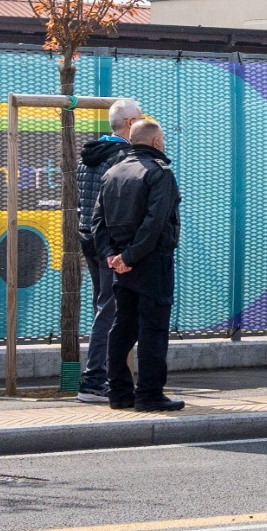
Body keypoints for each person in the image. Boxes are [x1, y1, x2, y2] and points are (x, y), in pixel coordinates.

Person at [92, 116, 183, 413]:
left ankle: (118, 393)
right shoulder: (160, 173)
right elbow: (155, 224)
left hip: (120, 264)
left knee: (122, 327)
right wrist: (129, 257)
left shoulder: (113, 172)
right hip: (151, 262)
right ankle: (149, 394)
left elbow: (97, 221)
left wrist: (112, 256)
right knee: (153, 329)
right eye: (163, 139)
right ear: (156, 142)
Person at [75, 97, 142, 398]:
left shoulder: (89, 154)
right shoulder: (124, 158)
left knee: (103, 306)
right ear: (130, 123)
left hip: (87, 237)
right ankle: (94, 380)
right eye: (139, 119)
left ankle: (103, 376)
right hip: (110, 245)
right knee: (110, 309)